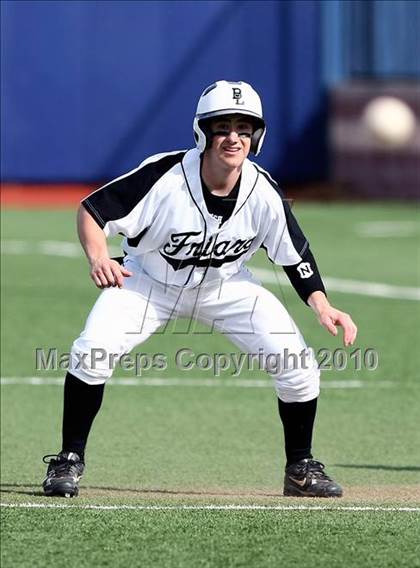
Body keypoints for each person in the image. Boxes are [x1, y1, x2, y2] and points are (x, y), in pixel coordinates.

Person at [42, 80, 357, 498]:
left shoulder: (263, 192)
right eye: (222, 127)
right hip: (148, 282)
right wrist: (99, 257)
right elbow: (93, 210)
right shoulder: (165, 176)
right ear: (203, 132)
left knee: (298, 366)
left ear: (256, 136)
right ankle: (68, 460)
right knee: (91, 351)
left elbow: (294, 253)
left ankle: (300, 468)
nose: (234, 138)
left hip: (226, 288)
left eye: (244, 129)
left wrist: (322, 304)